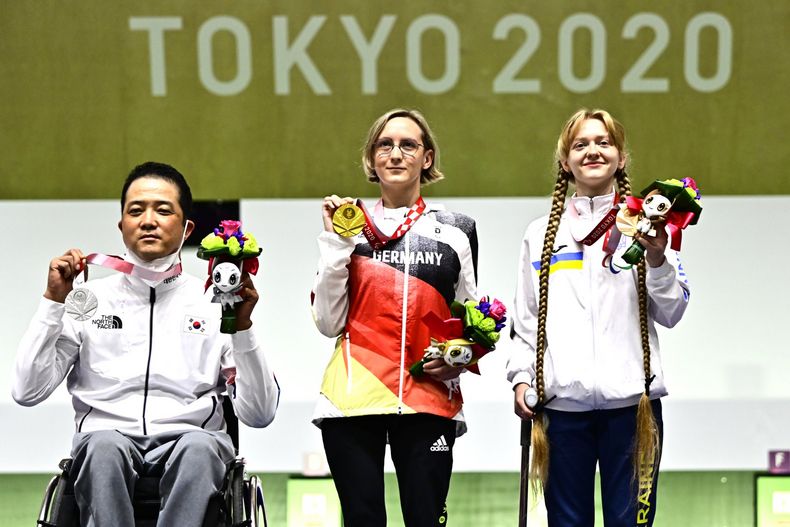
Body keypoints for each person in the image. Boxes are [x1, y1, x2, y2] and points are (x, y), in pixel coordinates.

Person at [12, 162, 279, 527]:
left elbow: (260, 414)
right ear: (121, 225)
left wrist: (243, 326)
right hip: (105, 442)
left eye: (163, 209)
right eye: (135, 210)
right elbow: (26, 391)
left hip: (192, 441)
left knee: (199, 448)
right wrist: (52, 302)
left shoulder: (214, 302)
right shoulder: (87, 299)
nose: (148, 220)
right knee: (104, 446)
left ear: (187, 229)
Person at [508, 109, 691, 526]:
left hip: (633, 409)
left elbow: (673, 310)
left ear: (621, 157)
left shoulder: (648, 226)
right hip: (561, 408)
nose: (593, 151)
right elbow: (526, 320)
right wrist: (521, 378)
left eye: (603, 142)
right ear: (565, 161)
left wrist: (659, 257)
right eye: (580, 144)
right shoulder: (541, 235)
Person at [310, 108, 478, 526]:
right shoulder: (349, 228)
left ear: (427, 158)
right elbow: (327, 322)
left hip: (428, 396)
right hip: (352, 397)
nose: (396, 153)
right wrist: (335, 243)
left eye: (409, 145)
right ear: (371, 159)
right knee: (362, 520)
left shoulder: (458, 229)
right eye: (385, 145)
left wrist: (461, 353)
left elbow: (469, 319)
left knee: (426, 519)